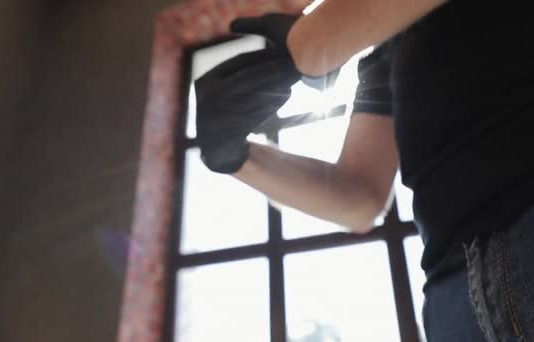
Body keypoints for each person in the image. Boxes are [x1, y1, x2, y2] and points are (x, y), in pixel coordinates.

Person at [195, 0, 534, 341]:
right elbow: (361, 196)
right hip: (451, 289)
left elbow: (318, 44)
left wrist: (312, 41)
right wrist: (235, 158)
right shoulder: (386, 48)